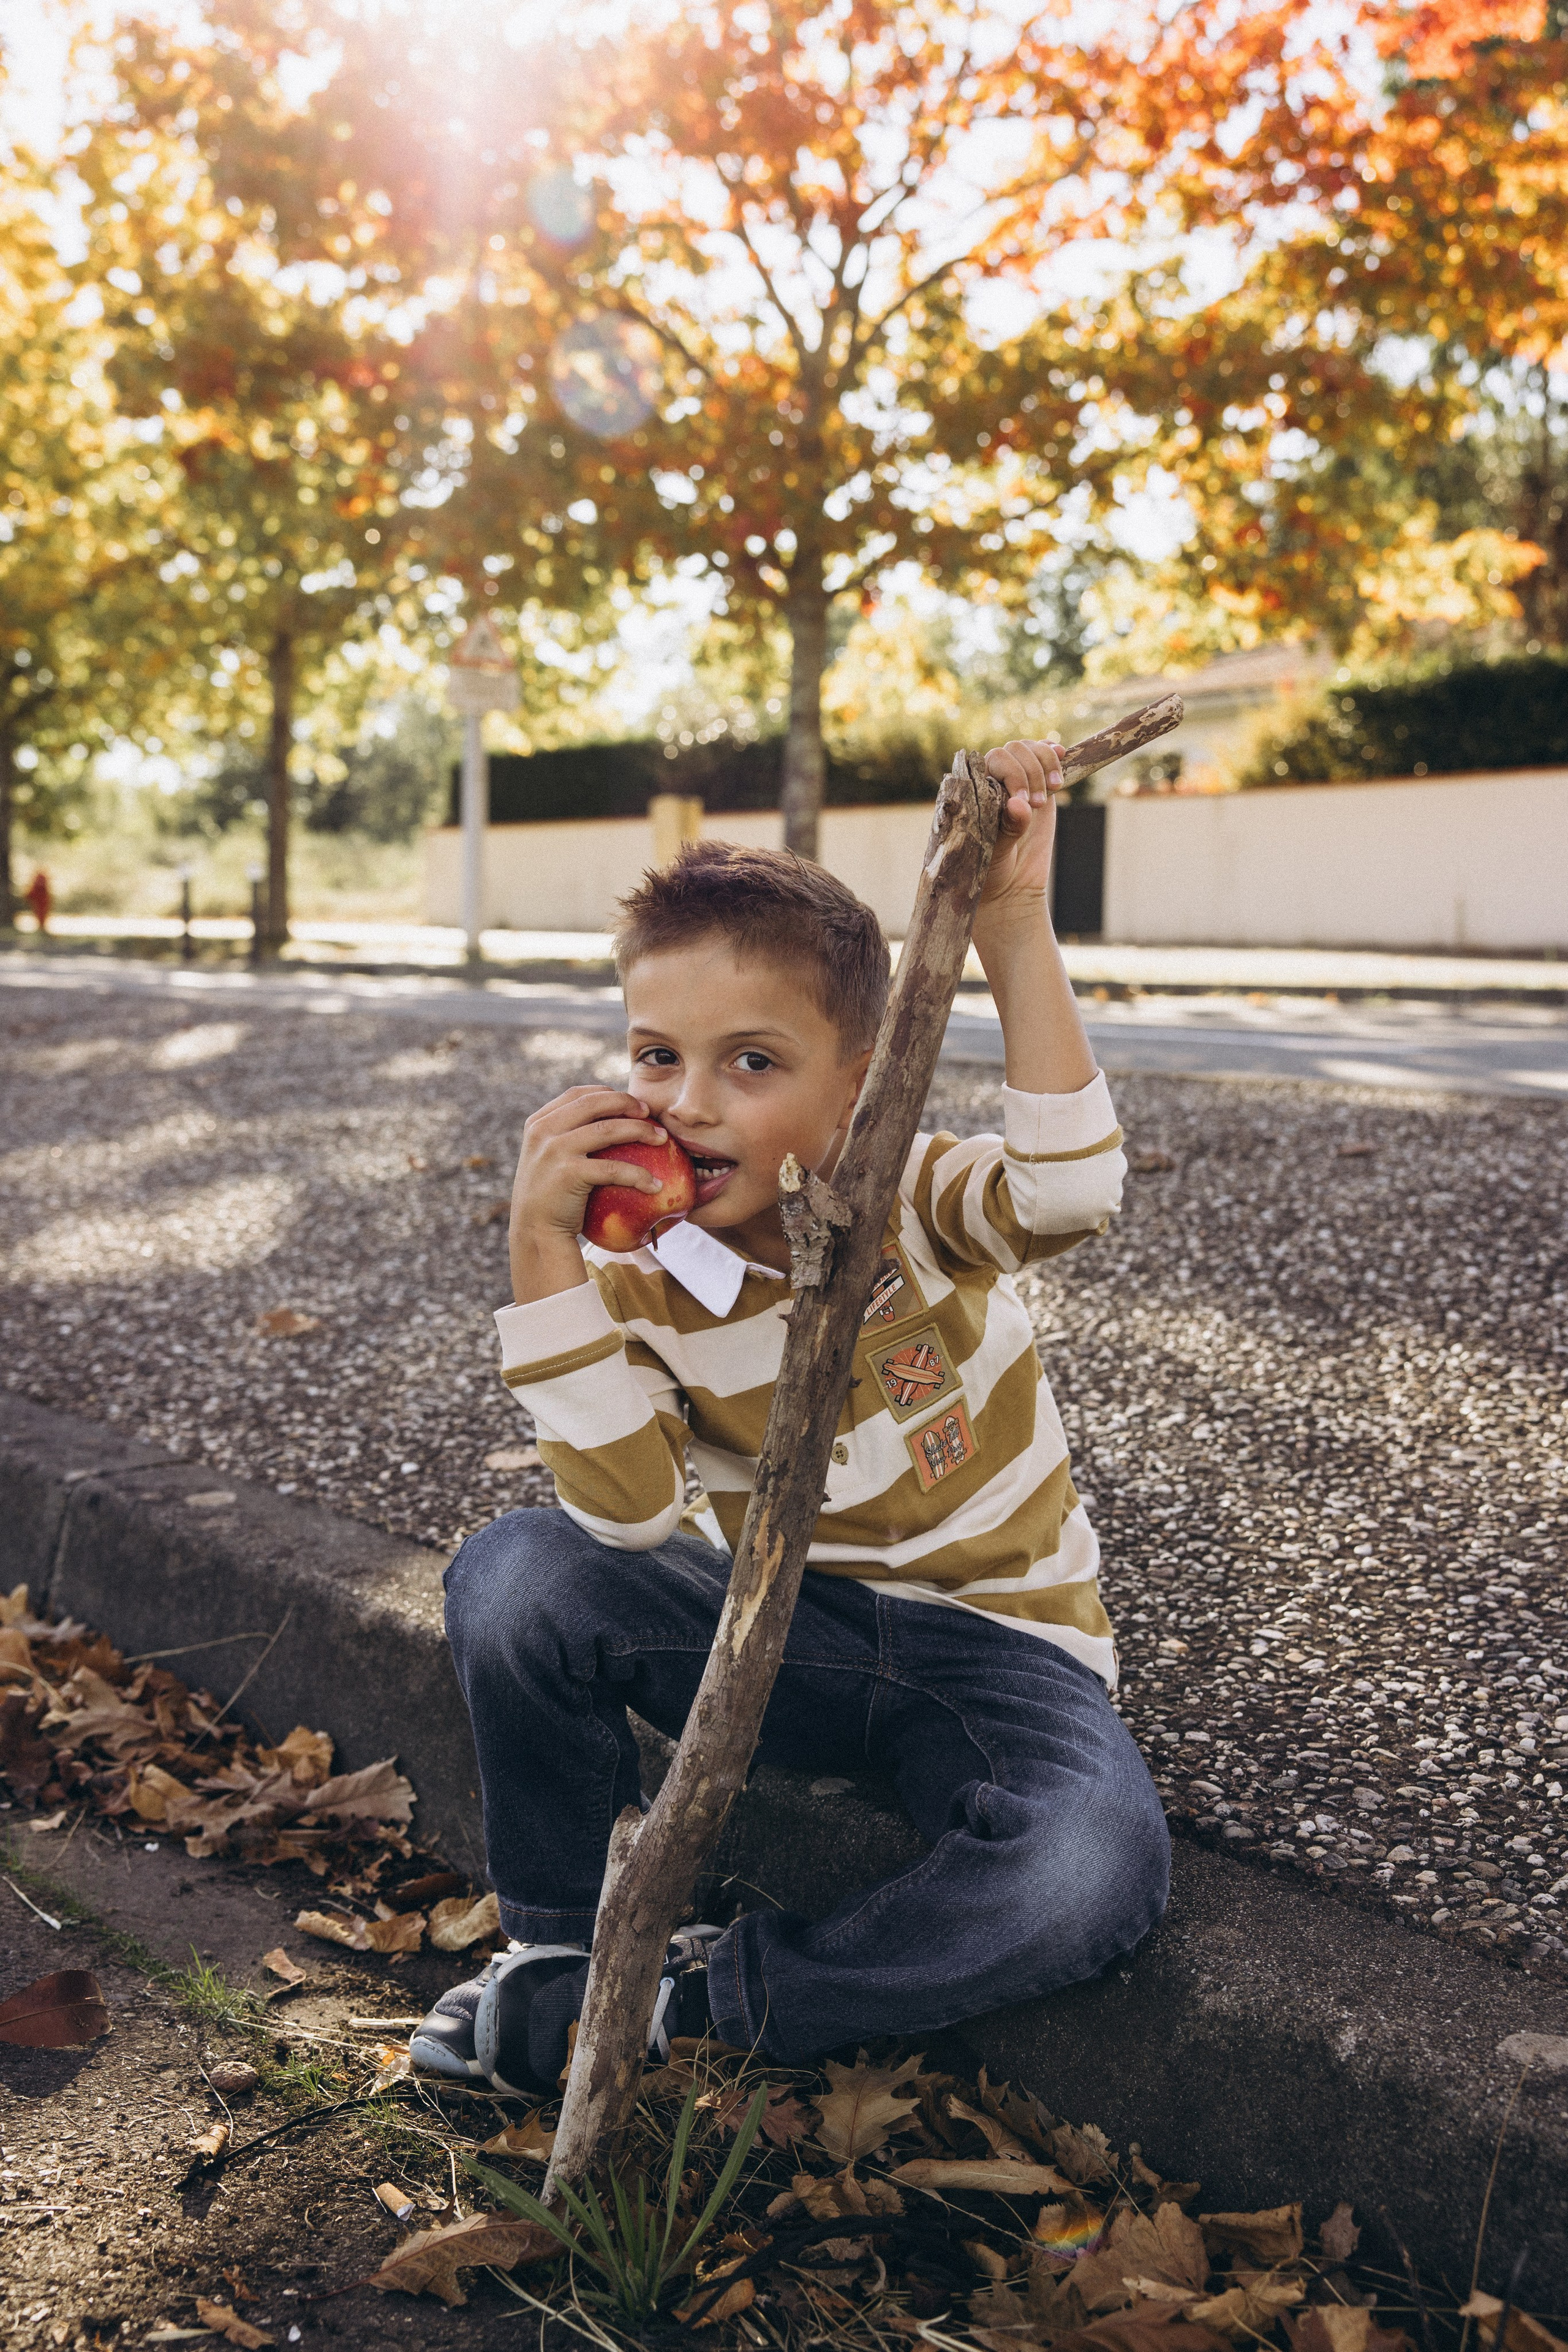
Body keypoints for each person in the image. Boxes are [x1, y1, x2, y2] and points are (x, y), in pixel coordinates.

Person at [413, 738, 1169, 2096]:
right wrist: (544, 1257)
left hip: (1002, 1652)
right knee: (516, 1570)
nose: (685, 1102)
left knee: (1085, 1870)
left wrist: (1005, 920)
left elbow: (1066, 1196)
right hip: (781, 1641)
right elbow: (630, 1516)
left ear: (860, 1080)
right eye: (654, 1053)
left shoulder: (912, 1194)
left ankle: (696, 1997)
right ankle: (550, 1953)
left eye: (748, 1061)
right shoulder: (634, 1282)